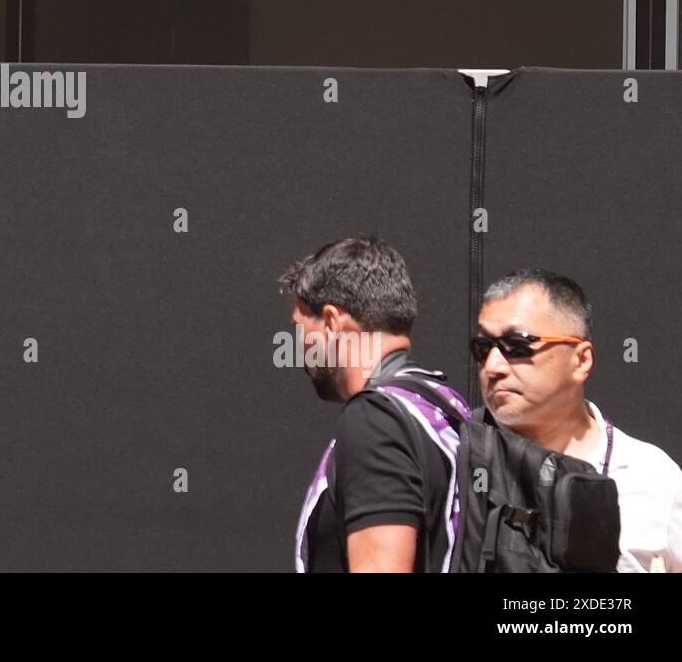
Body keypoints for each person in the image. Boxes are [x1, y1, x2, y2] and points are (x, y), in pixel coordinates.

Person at [283, 237, 470, 573]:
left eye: (301, 332)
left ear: (331, 322)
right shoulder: (443, 405)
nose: (300, 351)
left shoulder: (375, 420)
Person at [476, 269, 682, 572]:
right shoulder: (454, 458)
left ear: (581, 360)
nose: (493, 366)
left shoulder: (652, 477)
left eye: (517, 346)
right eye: (482, 349)